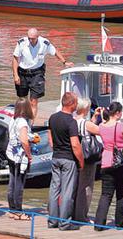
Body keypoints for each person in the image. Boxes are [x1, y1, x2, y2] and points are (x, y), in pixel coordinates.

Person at [94, 101, 123, 230]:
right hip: (120, 164)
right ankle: (120, 223)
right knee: (122, 194)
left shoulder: (102, 126)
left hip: (106, 162)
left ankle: (99, 224)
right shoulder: (120, 126)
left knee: (105, 195)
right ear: (118, 113)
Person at [12, 28, 72, 120]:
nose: (30, 40)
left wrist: (64, 62)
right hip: (23, 72)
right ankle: (21, 119)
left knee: (34, 101)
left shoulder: (44, 43)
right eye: (29, 38)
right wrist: (15, 75)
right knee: (22, 99)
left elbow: (55, 51)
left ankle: (30, 124)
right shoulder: (21, 43)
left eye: (33, 38)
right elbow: (15, 59)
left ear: (37, 37)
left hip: (37, 73)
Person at [48, 92, 84, 230]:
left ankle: (53, 221)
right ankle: (64, 222)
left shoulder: (53, 118)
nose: (77, 105)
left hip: (56, 157)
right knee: (67, 191)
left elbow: (50, 139)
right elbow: (75, 145)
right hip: (68, 159)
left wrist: (57, 148)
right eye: (75, 102)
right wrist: (81, 162)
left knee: (54, 189)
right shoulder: (71, 121)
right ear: (71, 104)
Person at [73, 97, 103, 223]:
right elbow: (102, 131)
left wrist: (94, 117)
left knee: (77, 186)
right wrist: (104, 118)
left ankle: (74, 213)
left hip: (76, 156)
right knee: (87, 188)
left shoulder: (74, 121)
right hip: (88, 159)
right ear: (85, 109)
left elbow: (86, 128)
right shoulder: (86, 124)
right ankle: (82, 216)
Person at [6, 97, 35, 220]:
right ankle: (18, 210)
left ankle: (12, 209)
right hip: (19, 156)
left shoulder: (13, 119)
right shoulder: (23, 123)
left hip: (11, 154)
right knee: (19, 183)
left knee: (12, 181)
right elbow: (24, 141)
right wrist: (29, 155)